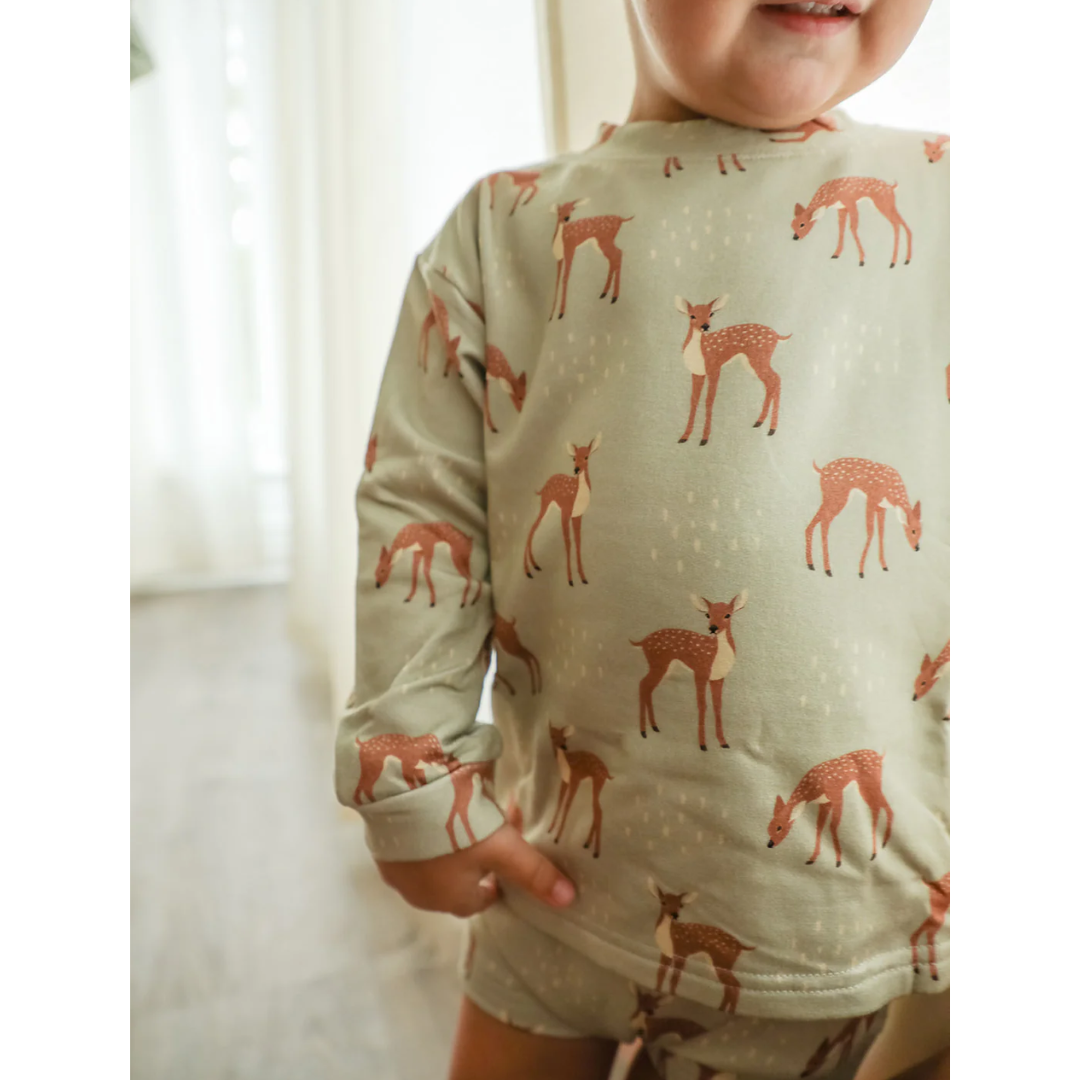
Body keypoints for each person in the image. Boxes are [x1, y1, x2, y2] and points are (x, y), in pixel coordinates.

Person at [334, 2, 950, 1077]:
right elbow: (419, 501)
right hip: (555, 889)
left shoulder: (969, 203)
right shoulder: (500, 232)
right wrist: (413, 783)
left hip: (862, 924)